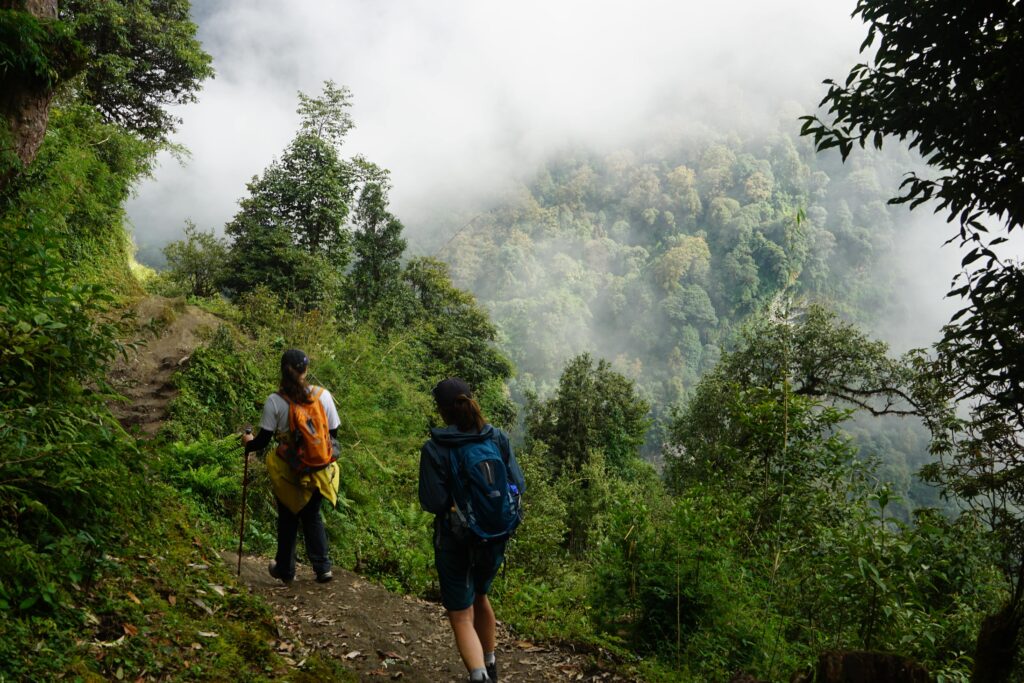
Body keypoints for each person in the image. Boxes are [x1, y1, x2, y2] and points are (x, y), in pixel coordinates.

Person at [419, 378, 525, 683]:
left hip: (455, 541)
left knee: (461, 614)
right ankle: (490, 664)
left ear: (442, 411)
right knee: (481, 595)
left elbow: (433, 501)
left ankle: (479, 676)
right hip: (494, 537)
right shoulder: (497, 438)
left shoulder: (435, 448)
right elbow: (518, 484)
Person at [242, 348, 340, 584]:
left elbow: (262, 442)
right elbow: (333, 433)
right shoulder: (323, 396)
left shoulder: (274, 402)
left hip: (288, 470)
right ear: (306, 370)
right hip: (318, 469)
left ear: (282, 371)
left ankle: (286, 569)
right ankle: (323, 567)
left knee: (288, 517)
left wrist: (247, 442)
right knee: (312, 514)